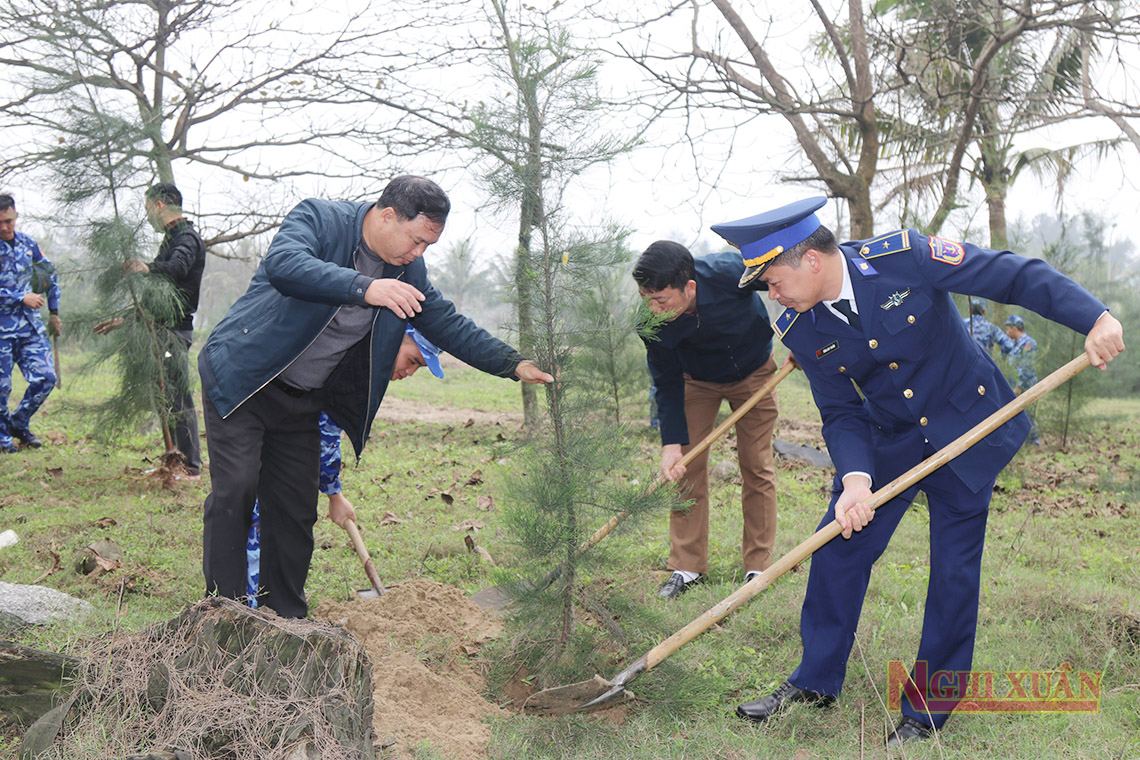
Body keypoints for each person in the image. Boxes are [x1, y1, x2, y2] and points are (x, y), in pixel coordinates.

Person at [714, 197, 1123, 745]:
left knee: (953, 572)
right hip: (890, 440)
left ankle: (928, 707)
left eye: (773, 279)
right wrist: (856, 479)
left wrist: (1094, 316)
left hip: (966, 428)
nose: (773, 294)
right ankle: (815, 681)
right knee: (837, 546)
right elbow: (839, 411)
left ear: (810, 260)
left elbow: (1012, 276)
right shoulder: (801, 327)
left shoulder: (905, 258)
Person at [200, 175, 552, 618]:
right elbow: (285, 265)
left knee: (293, 509)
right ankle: (224, 616)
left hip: (302, 397)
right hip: (244, 378)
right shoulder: (320, 218)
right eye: (416, 241)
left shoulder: (406, 269)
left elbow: (443, 321)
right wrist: (366, 287)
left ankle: (285, 620)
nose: (418, 254)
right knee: (237, 490)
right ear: (388, 216)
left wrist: (512, 364)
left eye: (428, 247)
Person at [248, 326, 443, 606]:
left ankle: (266, 604)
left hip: (280, 423)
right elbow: (325, 432)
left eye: (419, 368)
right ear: (395, 337)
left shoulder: (366, 360)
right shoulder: (355, 360)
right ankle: (246, 608)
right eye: (412, 360)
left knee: (278, 515)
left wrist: (333, 494)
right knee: (257, 517)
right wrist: (334, 494)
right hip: (263, 412)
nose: (410, 372)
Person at [633, 240, 779, 599]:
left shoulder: (731, 272)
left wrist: (805, 340)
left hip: (755, 373)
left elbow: (785, 285)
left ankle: (758, 566)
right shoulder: (649, 323)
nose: (652, 308)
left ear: (690, 287)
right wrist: (671, 445)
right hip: (695, 382)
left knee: (756, 464)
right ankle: (687, 567)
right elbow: (665, 382)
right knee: (687, 468)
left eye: (661, 300)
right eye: (645, 298)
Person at [93, 183, 206, 477]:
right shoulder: (171, 238)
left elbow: (177, 269)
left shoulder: (186, 238)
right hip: (161, 328)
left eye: (147, 209)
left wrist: (147, 268)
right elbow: (157, 296)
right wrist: (128, 319)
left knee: (178, 397)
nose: (148, 217)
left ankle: (190, 467)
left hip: (175, 332)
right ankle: (175, 460)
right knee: (165, 395)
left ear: (158, 205)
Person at [0, 193, 61, 453]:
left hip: (29, 327)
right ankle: (3, 438)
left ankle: (19, 422)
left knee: (46, 378)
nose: (4, 227)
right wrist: (19, 296)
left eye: (9, 221)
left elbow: (50, 273)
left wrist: (54, 312)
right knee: (2, 387)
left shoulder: (27, 244)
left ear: (15, 216)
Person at [1003, 314, 1040, 445]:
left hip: (1026, 385)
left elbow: (1026, 366)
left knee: (1028, 414)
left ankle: (1033, 442)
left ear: (1014, 328)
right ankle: (1021, 442)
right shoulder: (1015, 344)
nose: (1007, 331)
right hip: (1015, 384)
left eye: (1008, 328)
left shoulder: (1028, 343)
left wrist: (1019, 385)